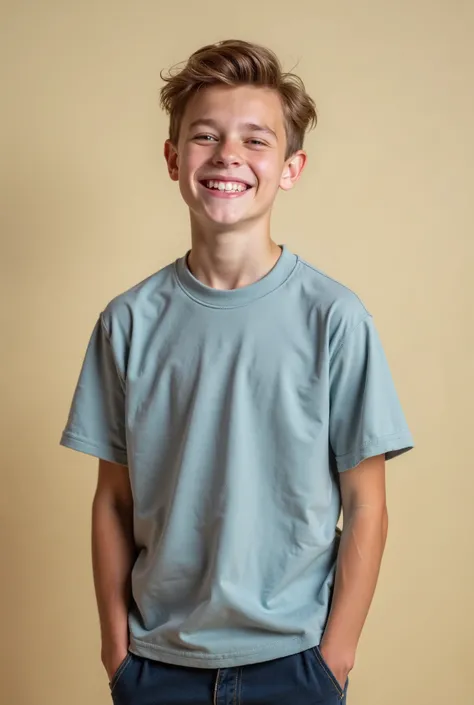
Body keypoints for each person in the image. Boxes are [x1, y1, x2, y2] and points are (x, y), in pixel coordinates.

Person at [59, 39, 415, 704]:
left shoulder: (334, 318)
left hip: (296, 661)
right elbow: (113, 498)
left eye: (256, 140)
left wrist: (334, 658)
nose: (228, 155)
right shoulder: (128, 322)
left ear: (290, 167)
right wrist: (117, 651)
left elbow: (367, 502)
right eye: (205, 136)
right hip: (156, 663)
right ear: (172, 159)